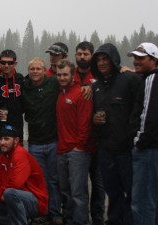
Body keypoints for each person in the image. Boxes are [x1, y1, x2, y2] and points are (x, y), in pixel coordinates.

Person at [90, 43, 141, 225]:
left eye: (105, 59)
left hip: (127, 149)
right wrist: (94, 120)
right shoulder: (96, 87)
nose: (102, 63)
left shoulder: (129, 79)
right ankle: (113, 221)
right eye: (98, 60)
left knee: (132, 192)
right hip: (105, 148)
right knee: (112, 192)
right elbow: (93, 115)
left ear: (114, 60)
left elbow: (145, 103)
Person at [0, 124, 48, 225]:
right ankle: (17, 221)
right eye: (0, 139)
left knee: (10, 193)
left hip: (35, 201)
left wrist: (4, 194)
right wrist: (1, 196)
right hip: (10, 198)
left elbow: (16, 184)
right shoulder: (1, 157)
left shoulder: (20, 154)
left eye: (6, 139)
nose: (2, 142)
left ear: (16, 141)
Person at [22, 57, 62, 225]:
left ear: (45, 70)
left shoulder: (53, 83)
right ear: (28, 71)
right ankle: (42, 212)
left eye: (39, 69)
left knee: (54, 179)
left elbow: (70, 81)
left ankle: (55, 213)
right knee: (40, 181)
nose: (35, 72)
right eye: (32, 69)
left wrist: (84, 87)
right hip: (34, 142)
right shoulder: (24, 86)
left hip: (53, 140)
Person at [56, 59, 93, 225]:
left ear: (73, 75)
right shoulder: (60, 92)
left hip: (77, 151)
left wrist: (80, 146)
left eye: (65, 74)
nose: (62, 77)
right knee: (65, 190)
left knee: (78, 193)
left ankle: (81, 221)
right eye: (59, 74)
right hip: (62, 149)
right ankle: (69, 220)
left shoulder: (81, 93)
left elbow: (85, 123)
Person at [74, 41, 105, 225]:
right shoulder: (71, 75)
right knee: (78, 186)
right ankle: (80, 219)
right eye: (79, 54)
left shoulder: (101, 75)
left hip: (98, 140)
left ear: (91, 55)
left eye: (86, 54)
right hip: (77, 141)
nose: (82, 57)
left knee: (99, 184)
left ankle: (99, 219)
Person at [127, 42, 158, 225]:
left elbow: (148, 114)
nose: (136, 61)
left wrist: (138, 142)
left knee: (142, 201)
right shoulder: (146, 78)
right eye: (135, 57)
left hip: (148, 150)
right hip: (152, 148)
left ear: (153, 60)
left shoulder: (151, 79)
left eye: (141, 58)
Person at [0, 49, 25, 140]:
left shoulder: (20, 79)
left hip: (17, 125)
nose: (6, 66)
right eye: (3, 62)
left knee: (18, 152)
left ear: (15, 64)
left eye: (10, 63)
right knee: (0, 152)